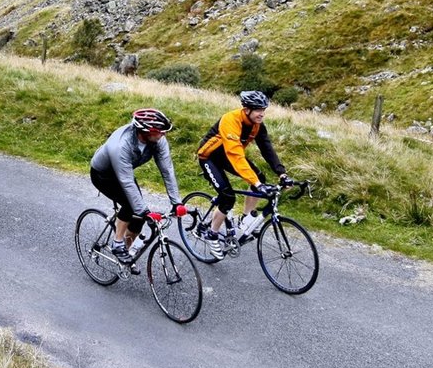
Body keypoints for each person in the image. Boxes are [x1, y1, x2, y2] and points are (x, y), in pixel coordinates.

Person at [195, 90, 292, 258]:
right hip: (210, 158)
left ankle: (245, 218)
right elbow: (236, 156)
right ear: (247, 109)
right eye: (258, 110)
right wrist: (257, 185)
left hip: (228, 156)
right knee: (228, 197)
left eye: (264, 110)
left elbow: (267, 148)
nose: (262, 114)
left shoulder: (257, 124)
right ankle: (212, 234)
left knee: (259, 176)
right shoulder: (230, 120)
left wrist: (282, 173)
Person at [89, 108, 184, 271]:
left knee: (139, 217)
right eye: (159, 132)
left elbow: (167, 170)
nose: (163, 135)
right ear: (145, 132)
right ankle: (117, 244)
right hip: (103, 175)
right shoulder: (121, 145)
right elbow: (126, 182)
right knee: (129, 205)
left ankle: (126, 251)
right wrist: (143, 211)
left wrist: (177, 202)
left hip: (124, 172)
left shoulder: (157, 140)